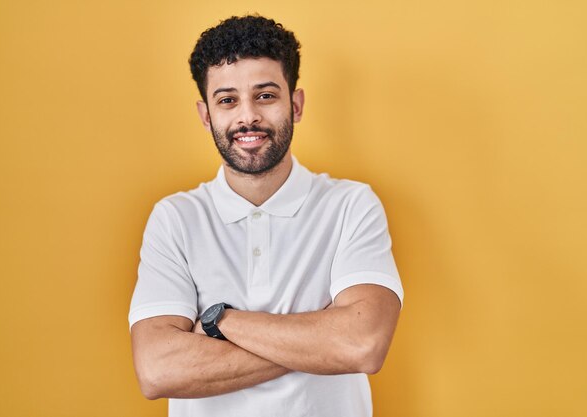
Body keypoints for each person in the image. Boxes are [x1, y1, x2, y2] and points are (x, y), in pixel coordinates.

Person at [129, 15, 404, 417]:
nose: (247, 117)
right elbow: (157, 369)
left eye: (265, 95)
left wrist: (220, 321)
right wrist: (322, 342)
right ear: (206, 116)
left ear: (295, 104)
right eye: (227, 100)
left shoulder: (351, 205)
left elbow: (362, 344)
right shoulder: (174, 219)